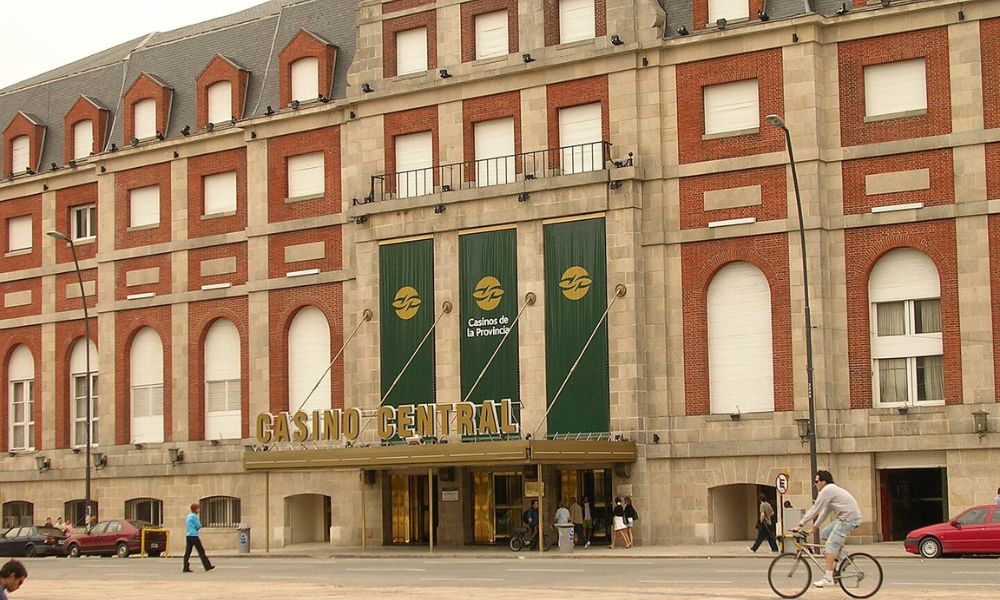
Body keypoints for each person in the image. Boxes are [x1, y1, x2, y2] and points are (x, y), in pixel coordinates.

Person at [792, 470, 862, 588]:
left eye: (816, 481)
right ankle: (843, 559)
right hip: (848, 518)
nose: (815, 484)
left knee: (830, 547)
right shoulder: (831, 491)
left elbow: (815, 509)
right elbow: (824, 512)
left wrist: (800, 524)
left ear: (823, 482)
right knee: (824, 534)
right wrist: (814, 528)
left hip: (847, 519)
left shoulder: (827, 490)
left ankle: (828, 578)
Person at [183, 503, 215, 573]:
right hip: (194, 536)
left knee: (187, 552)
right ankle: (207, 566)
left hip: (188, 536)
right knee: (201, 551)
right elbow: (198, 525)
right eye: (198, 508)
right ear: (195, 509)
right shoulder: (194, 516)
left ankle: (185, 567)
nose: (199, 510)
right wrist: (196, 528)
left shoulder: (188, 516)